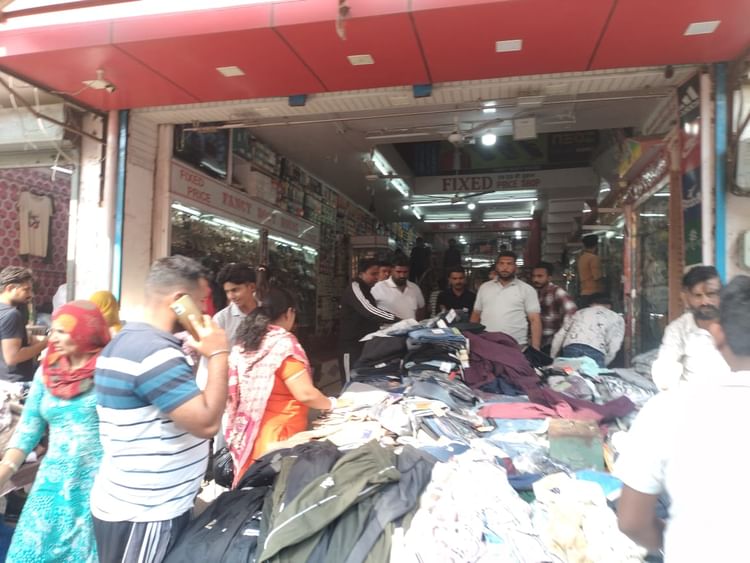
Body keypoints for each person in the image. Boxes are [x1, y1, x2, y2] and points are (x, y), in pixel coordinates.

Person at [91, 255, 229, 563]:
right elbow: (207, 423)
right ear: (180, 301)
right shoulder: (154, 353)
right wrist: (219, 352)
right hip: (147, 512)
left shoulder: (130, 340)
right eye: (201, 301)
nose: (206, 311)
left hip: (140, 503)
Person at [616, 276, 750, 561]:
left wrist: (679, 542)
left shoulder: (666, 410)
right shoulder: (678, 330)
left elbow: (631, 522)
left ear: (718, 334)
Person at [0, 301, 110, 562]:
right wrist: (4, 472)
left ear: (86, 331)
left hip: (96, 486)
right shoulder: (48, 372)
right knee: (28, 553)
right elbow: (29, 428)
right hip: (52, 484)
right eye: (53, 331)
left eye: (63, 331)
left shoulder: (109, 373)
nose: (53, 338)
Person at [225, 288, 340, 487]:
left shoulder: (248, 341)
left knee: (251, 487)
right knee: (274, 490)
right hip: (280, 435)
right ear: (289, 313)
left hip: (249, 431)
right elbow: (305, 393)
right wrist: (332, 404)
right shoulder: (282, 344)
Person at [650, 265, 728, 391]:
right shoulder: (678, 329)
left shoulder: (737, 323)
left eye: (711, 294)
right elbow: (664, 374)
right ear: (686, 297)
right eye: (698, 295)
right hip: (693, 399)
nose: (705, 302)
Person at [470, 251, 542, 349]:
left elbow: (534, 320)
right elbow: (476, 315)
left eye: (509, 264)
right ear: (496, 266)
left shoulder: (527, 290)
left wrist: (536, 348)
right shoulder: (484, 288)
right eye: (501, 263)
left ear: (515, 267)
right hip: (487, 343)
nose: (505, 267)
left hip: (516, 344)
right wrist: (472, 341)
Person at [339, 258, 398, 369]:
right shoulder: (355, 287)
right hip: (352, 345)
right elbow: (369, 310)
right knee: (350, 377)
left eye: (377, 274)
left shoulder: (367, 290)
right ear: (361, 274)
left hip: (365, 343)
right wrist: (396, 319)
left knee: (363, 375)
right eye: (373, 274)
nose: (377, 277)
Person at [550, 293, 624, 368]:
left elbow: (559, 336)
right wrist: (605, 363)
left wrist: (553, 357)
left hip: (571, 347)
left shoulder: (579, 313)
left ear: (591, 304)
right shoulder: (616, 317)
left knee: (571, 373)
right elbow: (615, 344)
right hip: (596, 349)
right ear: (609, 305)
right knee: (593, 374)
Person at [0, 266, 47, 382]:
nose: (31, 295)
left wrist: (32, 336)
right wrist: (47, 342)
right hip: (14, 383)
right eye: (26, 290)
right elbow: (12, 357)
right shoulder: (12, 314)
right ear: (10, 288)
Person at [531, 262, 577, 353]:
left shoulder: (557, 292)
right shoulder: (533, 293)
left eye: (540, 276)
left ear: (549, 278)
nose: (535, 279)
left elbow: (572, 312)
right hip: (537, 340)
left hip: (552, 341)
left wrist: (562, 336)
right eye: (534, 276)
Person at [214, 262, 257, 344]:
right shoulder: (221, 319)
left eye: (235, 290)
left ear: (252, 287)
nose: (231, 296)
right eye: (227, 292)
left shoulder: (269, 311)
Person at [372, 256, 426, 320]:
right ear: (391, 271)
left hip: (412, 326)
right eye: (398, 272)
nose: (402, 275)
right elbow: (371, 311)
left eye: (405, 272)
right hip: (388, 326)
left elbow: (421, 308)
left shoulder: (415, 288)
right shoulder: (378, 287)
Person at [578, 234, 604, 307]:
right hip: (593, 294)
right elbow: (597, 277)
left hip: (584, 292)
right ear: (596, 245)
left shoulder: (582, 258)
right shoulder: (594, 258)